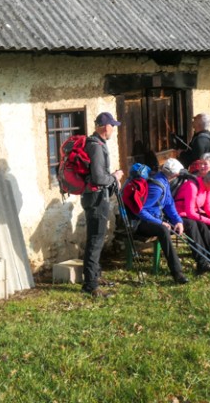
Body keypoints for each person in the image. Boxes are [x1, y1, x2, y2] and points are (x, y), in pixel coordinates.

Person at [81, 111, 124, 297]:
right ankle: (90, 284)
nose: (113, 129)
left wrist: (111, 178)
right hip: (97, 198)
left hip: (94, 196)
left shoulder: (94, 144)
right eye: (112, 126)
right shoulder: (96, 146)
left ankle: (96, 275)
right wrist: (114, 177)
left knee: (96, 237)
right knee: (96, 240)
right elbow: (99, 177)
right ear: (105, 127)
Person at [127, 158, 189, 285]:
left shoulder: (164, 182)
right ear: (175, 175)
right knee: (163, 230)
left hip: (155, 219)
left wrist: (178, 221)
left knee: (189, 223)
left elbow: (169, 204)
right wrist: (159, 222)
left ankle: (205, 260)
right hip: (140, 223)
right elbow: (140, 210)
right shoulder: (157, 187)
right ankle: (177, 273)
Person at [173, 165, 210, 274]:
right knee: (193, 225)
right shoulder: (192, 186)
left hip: (191, 214)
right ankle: (202, 263)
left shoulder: (207, 187)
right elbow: (190, 213)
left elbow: (208, 207)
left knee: (202, 226)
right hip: (178, 214)